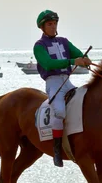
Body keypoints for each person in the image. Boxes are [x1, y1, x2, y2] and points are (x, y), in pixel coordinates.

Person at [34, 9, 91, 167]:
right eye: (50, 24)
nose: (53, 27)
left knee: (87, 102)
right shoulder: (39, 46)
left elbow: (79, 53)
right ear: (42, 27)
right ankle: (57, 151)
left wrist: (85, 59)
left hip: (67, 81)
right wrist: (73, 61)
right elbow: (48, 64)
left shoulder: (64, 41)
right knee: (59, 111)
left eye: (55, 23)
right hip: (53, 83)